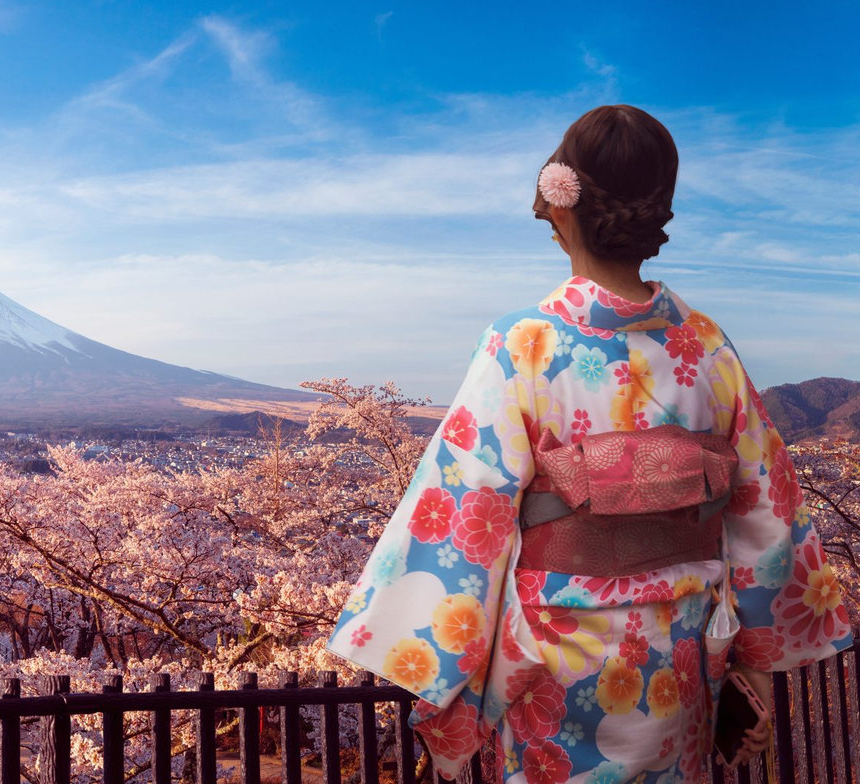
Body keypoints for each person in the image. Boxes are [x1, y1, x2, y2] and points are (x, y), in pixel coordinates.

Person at [326, 105, 852, 782]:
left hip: (556, 656)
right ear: (657, 210)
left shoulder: (523, 346)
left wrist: (444, 689)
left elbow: (464, 519)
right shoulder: (708, 348)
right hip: (683, 653)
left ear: (560, 205)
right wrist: (749, 657)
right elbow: (764, 516)